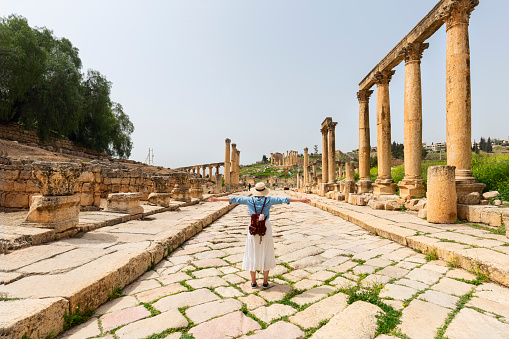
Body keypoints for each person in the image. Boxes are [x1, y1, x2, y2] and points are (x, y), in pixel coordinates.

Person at [209, 182, 310, 288]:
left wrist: (217, 199)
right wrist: (301, 200)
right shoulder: (269, 200)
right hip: (265, 227)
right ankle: (265, 282)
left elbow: (234, 199)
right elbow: (285, 199)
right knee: (266, 252)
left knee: (252, 252)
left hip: (252, 227)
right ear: (264, 191)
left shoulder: (249, 200)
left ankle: (253, 282)